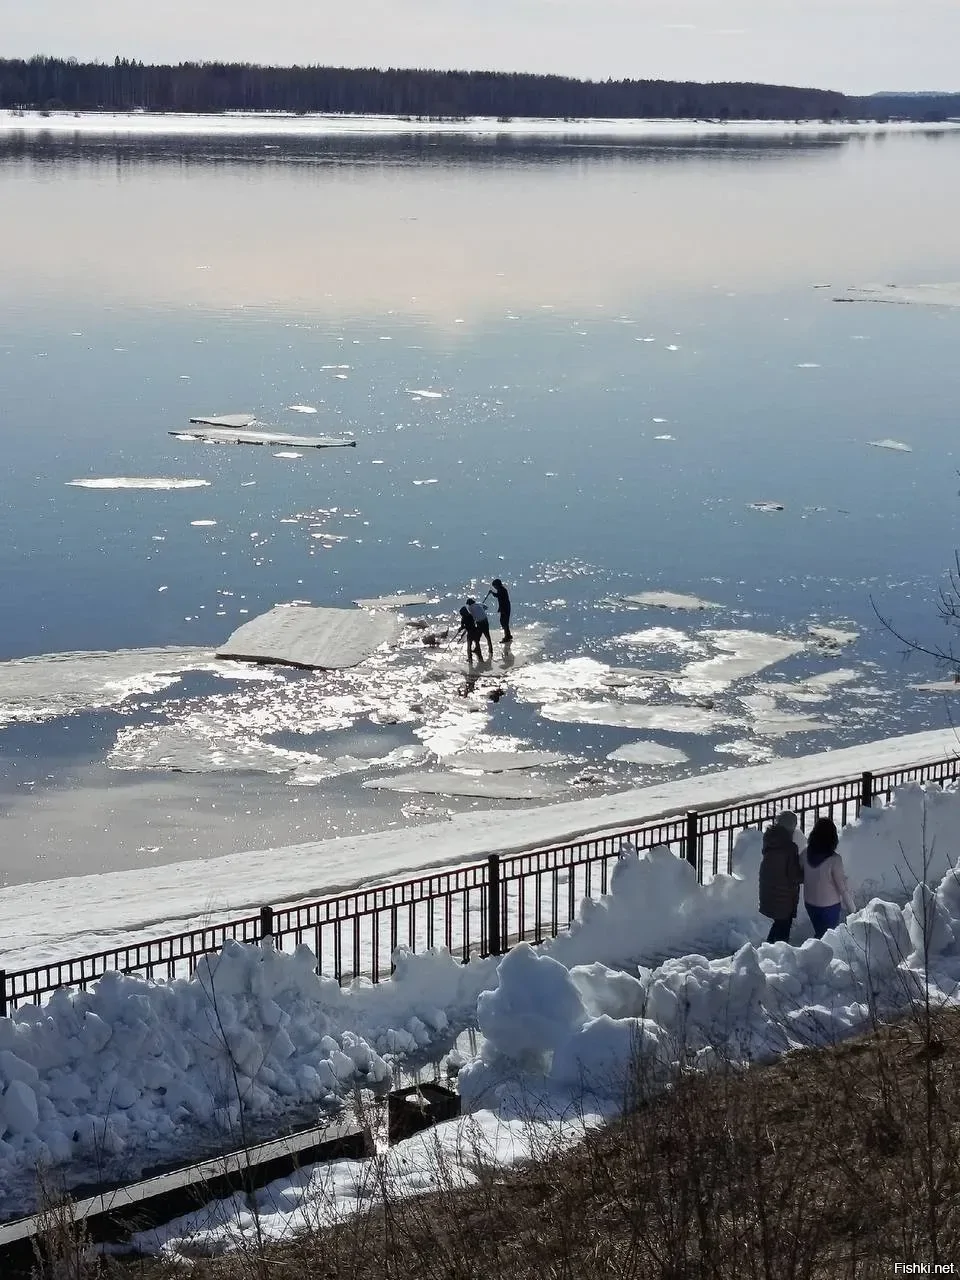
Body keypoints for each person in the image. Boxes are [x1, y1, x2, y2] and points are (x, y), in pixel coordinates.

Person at [802, 816, 855, 938]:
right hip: (829, 906)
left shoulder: (805, 853)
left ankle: (815, 949)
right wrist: (853, 910)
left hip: (810, 903)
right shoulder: (834, 860)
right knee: (828, 937)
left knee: (821, 932)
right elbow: (842, 888)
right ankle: (818, 954)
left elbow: (800, 872)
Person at [758, 810, 803, 944]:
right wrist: (808, 874)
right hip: (783, 895)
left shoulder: (771, 841)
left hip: (769, 890)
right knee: (783, 928)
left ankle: (766, 950)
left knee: (778, 924)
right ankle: (776, 957)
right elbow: (794, 875)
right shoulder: (789, 848)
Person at [485, 578, 513, 644]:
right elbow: (498, 596)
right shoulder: (501, 589)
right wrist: (492, 593)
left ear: (497, 585)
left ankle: (507, 636)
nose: (494, 587)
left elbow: (498, 596)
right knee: (504, 622)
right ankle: (508, 635)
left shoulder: (502, 590)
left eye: (495, 586)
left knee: (504, 622)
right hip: (505, 607)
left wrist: (492, 593)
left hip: (505, 608)